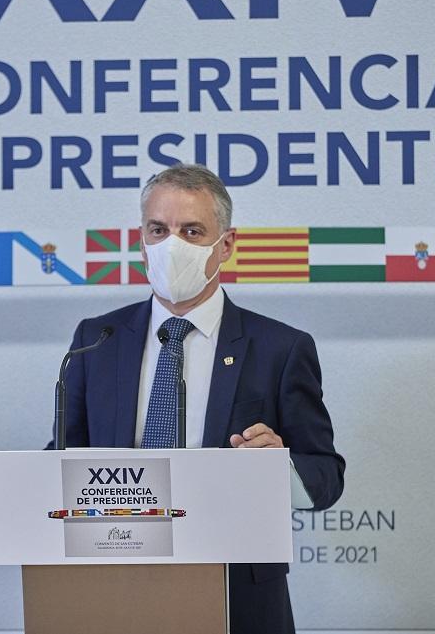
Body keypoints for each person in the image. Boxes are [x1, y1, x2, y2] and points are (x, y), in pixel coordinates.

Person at [56, 163, 345, 634]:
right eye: (159, 229)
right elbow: (61, 462)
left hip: (237, 594)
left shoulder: (280, 348)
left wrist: (281, 466)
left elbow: (327, 477)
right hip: (111, 583)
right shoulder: (97, 339)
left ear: (225, 245)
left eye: (192, 231)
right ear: (141, 239)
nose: (173, 245)